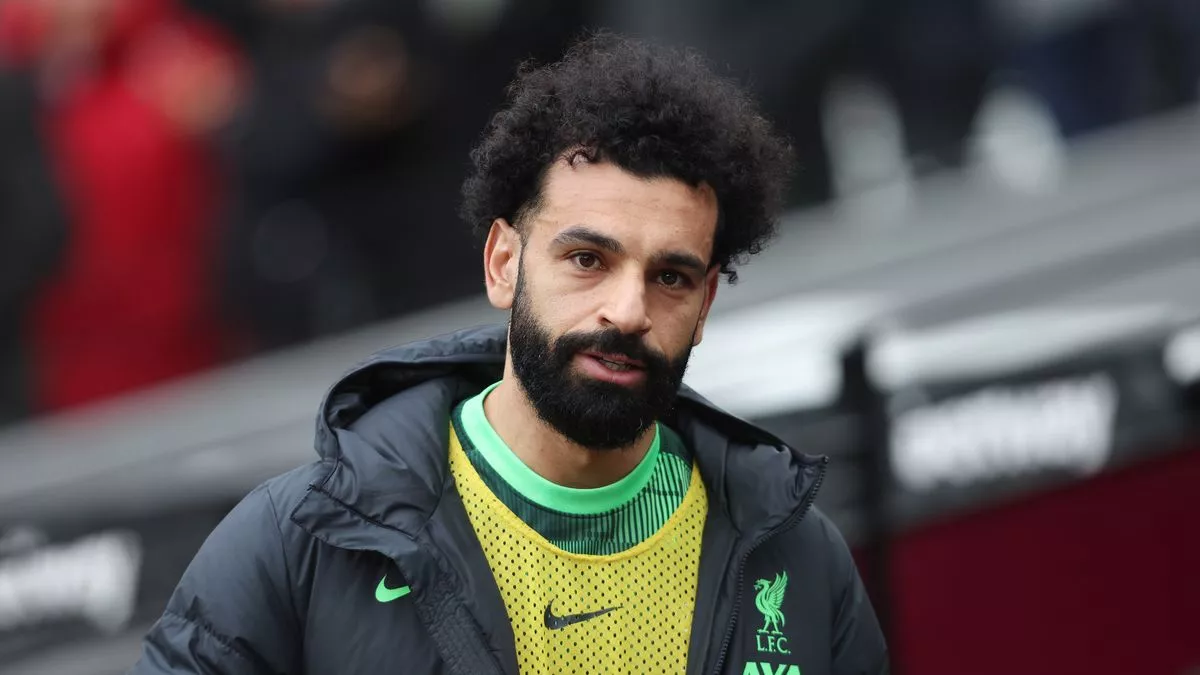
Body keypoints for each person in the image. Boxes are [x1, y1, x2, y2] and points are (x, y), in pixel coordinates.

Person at [130, 34, 889, 675]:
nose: (627, 311)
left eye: (671, 277)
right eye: (587, 260)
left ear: (705, 305)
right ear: (502, 264)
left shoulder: (796, 556)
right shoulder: (297, 542)